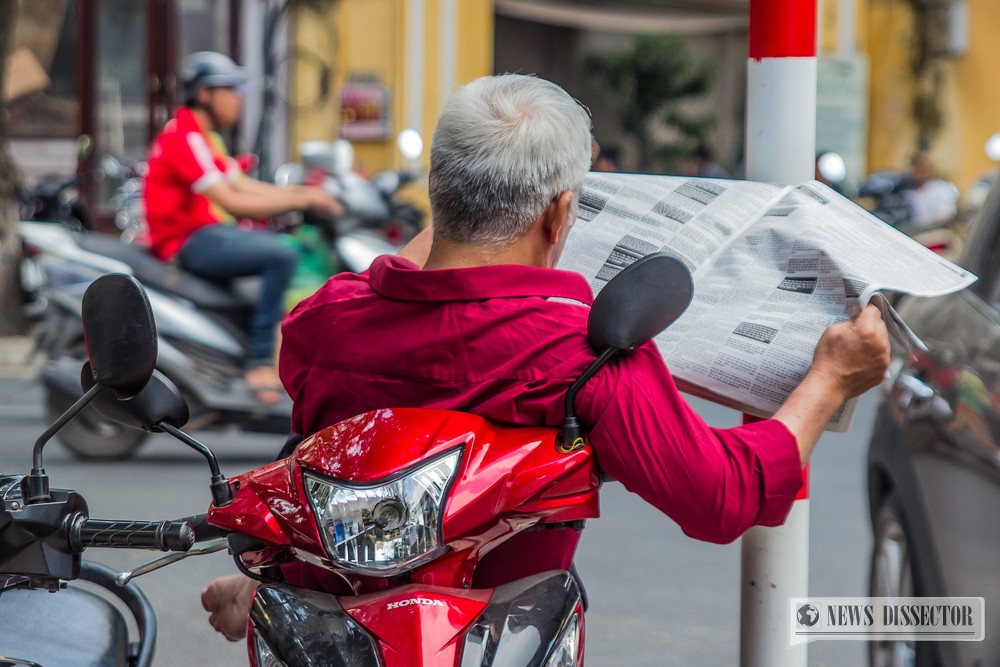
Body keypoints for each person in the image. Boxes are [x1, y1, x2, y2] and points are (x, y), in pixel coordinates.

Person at [202, 73, 890, 640]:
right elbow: (723, 496)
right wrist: (832, 376)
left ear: (440, 193)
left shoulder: (323, 326)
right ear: (562, 217)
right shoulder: (578, 356)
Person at [143, 51, 342, 403]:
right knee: (281, 254)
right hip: (187, 241)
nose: (239, 97)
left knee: (276, 243)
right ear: (204, 93)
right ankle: (260, 362)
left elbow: (244, 185)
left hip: (207, 232)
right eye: (231, 88)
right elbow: (232, 200)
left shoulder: (204, 137)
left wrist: (304, 193)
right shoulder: (185, 137)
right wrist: (303, 199)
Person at [905, 151, 959, 230]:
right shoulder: (909, 191)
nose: (918, 173)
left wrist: (919, 224)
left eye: (922, 169)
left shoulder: (941, 188)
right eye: (916, 169)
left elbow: (945, 215)